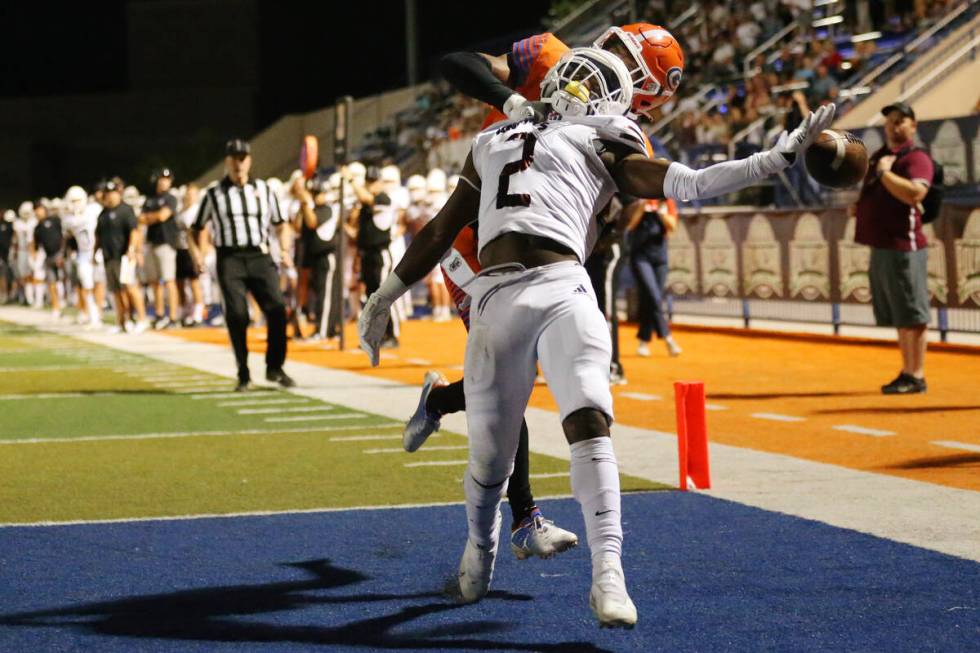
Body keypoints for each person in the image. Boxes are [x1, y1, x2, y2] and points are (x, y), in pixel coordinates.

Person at [359, 47, 835, 628]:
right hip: (493, 294)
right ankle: (478, 549)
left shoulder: (599, 141)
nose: (585, 87)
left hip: (563, 284)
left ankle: (609, 573)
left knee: (589, 412)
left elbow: (685, 181)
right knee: (491, 453)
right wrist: (384, 296)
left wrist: (772, 159)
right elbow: (441, 227)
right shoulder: (494, 140)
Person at [403, 23, 687, 563]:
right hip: (473, 245)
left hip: (542, 261)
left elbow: (608, 225)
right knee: (514, 380)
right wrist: (511, 101)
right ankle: (524, 517)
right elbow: (456, 60)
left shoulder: (626, 136)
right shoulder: (546, 56)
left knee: (518, 372)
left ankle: (440, 399)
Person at [190, 138, 295, 392]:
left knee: (278, 310)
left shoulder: (264, 190)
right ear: (226, 161)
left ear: (249, 160)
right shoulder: (214, 194)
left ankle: (274, 366)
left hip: (260, 256)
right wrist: (198, 254)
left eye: (243, 157)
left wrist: (283, 248)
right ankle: (243, 371)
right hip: (230, 258)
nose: (239, 162)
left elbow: (282, 225)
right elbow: (195, 229)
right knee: (237, 315)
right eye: (234, 158)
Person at [854, 101, 933, 394]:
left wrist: (886, 174)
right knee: (900, 314)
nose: (894, 126)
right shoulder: (880, 157)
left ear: (913, 125)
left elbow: (916, 193)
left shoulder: (916, 157)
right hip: (882, 245)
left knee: (913, 312)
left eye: (901, 121)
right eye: (890, 121)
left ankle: (917, 374)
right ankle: (907, 371)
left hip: (905, 246)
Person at [348, 165, 400, 349]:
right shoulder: (366, 205)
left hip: (380, 254)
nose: (371, 185)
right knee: (372, 297)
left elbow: (365, 197)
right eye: (368, 182)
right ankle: (376, 336)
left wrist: (351, 180)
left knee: (384, 295)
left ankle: (392, 335)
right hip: (367, 254)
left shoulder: (383, 198)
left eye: (373, 182)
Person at [624, 197, 682, 357]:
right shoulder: (638, 201)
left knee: (650, 299)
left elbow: (673, 227)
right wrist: (642, 208)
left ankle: (643, 342)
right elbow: (629, 226)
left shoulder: (667, 202)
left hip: (660, 258)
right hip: (640, 257)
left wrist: (662, 213)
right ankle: (668, 337)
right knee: (653, 296)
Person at [94, 179, 149, 333]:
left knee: (130, 287)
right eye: (107, 194)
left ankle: (142, 319)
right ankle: (121, 321)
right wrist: (95, 252)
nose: (110, 197)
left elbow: (134, 231)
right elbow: (98, 235)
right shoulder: (103, 213)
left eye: (113, 193)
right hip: (108, 256)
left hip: (124, 255)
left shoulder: (125, 210)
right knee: (116, 291)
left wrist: (132, 249)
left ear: (118, 193)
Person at [293, 175, 340, 341]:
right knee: (320, 293)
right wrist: (302, 205)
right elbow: (298, 226)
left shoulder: (327, 209)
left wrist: (306, 203)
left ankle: (324, 329)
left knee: (326, 295)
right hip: (314, 258)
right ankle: (326, 328)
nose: (316, 196)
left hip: (327, 257)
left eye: (318, 193)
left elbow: (313, 223)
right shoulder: (309, 210)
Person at [140, 168, 181, 329]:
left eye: (167, 179)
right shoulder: (150, 199)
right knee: (154, 282)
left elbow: (162, 216)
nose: (164, 181)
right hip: (151, 242)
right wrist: (153, 217)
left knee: (169, 281)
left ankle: (173, 317)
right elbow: (141, 219)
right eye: (162, 178)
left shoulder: (171, 198)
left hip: (166, 243)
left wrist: (152, 217)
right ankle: (159, 314)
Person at [62, 185, 103, 327]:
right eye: (72, 201)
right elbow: (68, 237)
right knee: (86, 285)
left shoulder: (94, 210)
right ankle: (93, 315)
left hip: (98, 251)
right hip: (83, 254)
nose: (76, 204)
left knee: (100, 283)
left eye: (78, 200)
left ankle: (99, 314)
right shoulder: (67, 219)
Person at [31, 201, 64, 318]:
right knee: (51, 282)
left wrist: (62, 253)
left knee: (64, 281)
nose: (38, 212)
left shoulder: (55, 220)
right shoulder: (37, 228)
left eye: (39, 209)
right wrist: (34, 255)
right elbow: (35, 245)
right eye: (36, 210)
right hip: (48, 256)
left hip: (60, 254)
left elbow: (63, 236)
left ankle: (67, 303)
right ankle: (56, 307)